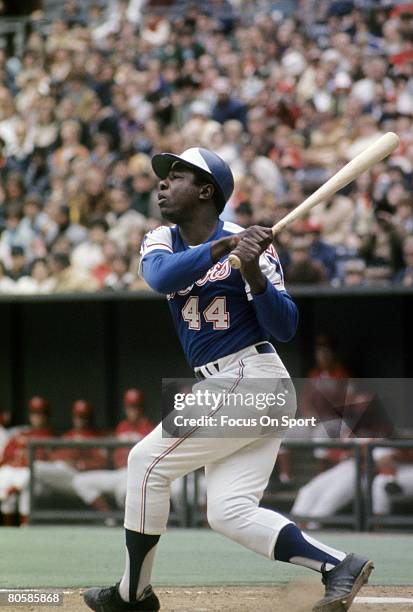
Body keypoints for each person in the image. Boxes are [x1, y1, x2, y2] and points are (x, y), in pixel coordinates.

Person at [83, 147, 373, 612]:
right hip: (228, 384)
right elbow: (160, 278)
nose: (162, 183)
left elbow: (284, 328)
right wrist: (222, 251)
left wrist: (254, 269)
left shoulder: (250, 242)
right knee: (229, 511)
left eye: (176, 176)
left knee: (145, 464)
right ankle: (339, 565)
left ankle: (131, 595)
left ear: (205, 190)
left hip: (250, 376)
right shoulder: (163, 239)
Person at [73, 388, 154, 513]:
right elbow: (112, 455)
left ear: (142, 408)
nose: (133, 411)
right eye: (130, 407)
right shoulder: (122, 426)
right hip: (118, 473)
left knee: (124, 493)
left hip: (137, 475)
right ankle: (108, 516)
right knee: (80, 481)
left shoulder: (149, 428)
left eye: (136, 407)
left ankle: (130, 526)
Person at [0, 396, 53, 526]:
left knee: (26, 485)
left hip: (36, 479)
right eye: (34, 414)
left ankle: (26, 529)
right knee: (7, 477)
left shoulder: (51, 437)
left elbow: (48, 464)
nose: (37, 417)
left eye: (40, 414)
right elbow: (6, 456)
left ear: (47, 416)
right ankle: (9, 530)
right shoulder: (21, 433)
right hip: (14, 473)